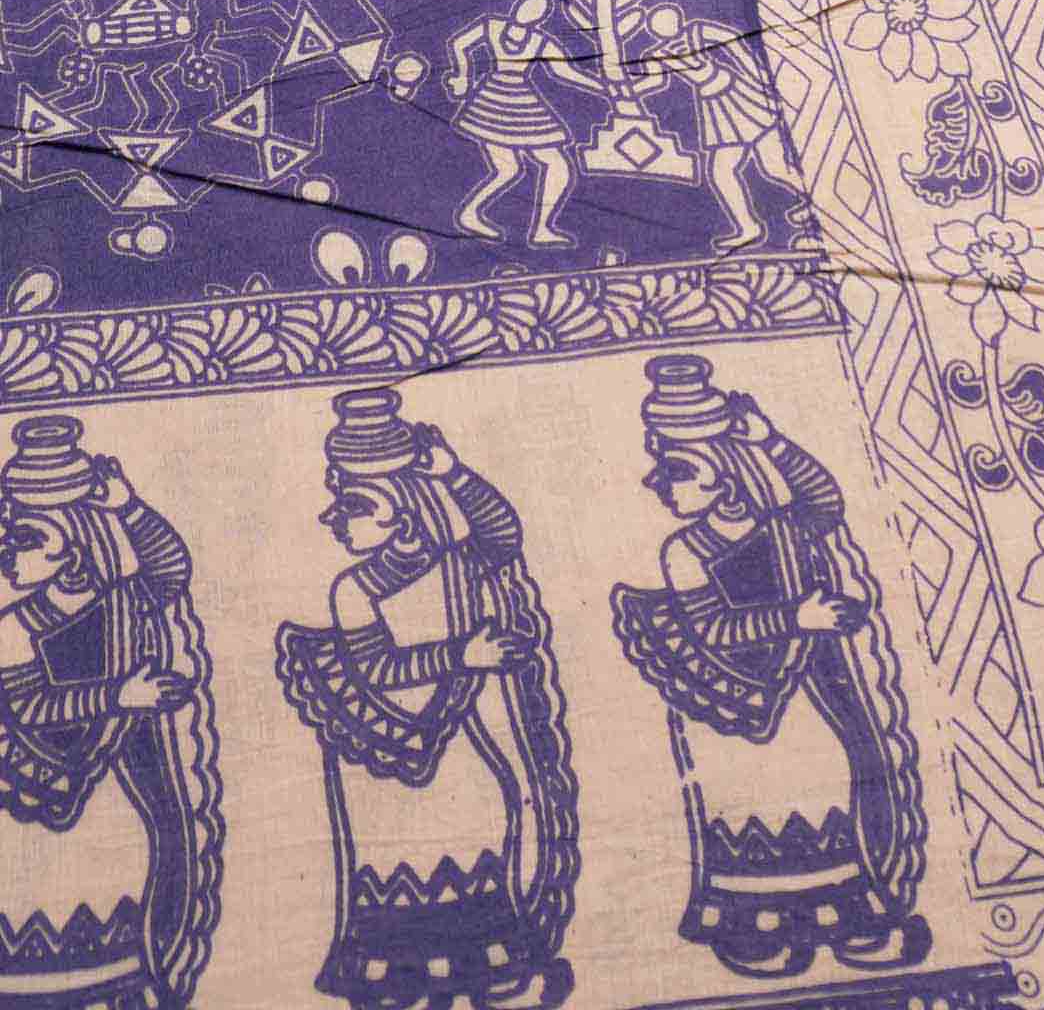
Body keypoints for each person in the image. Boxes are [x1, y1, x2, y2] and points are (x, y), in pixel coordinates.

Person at [612, 356, 929, 980]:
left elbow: (826, 502)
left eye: (677, 470)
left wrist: (772, 441)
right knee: (752, 799)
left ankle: (849, 913)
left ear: (725, 474)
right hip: (734, 694)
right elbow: (711, 629)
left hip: (802, 686)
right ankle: (755, 929)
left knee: (832, 777)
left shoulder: (785, 523)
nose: (657, 483)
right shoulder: (686, 550)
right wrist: (795, 619)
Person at [276, 388, 579, 1010]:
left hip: (451, 730)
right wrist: (462, 655)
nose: (334, 518)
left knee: (488, 820)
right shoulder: (356, 588)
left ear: (406, 511)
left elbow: (503, 535)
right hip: (384, 742)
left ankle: (487, 963)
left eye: (355, 505)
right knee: (405, 854)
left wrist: (454, 473)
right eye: (339, 500)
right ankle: (398, 979)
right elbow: (377, 669)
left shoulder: (457, 560)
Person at [0, 416, 223, 1010]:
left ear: (73, 543)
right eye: (7, 535)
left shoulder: (121, 603)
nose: (7, 553)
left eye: (25, 537)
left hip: (109, 808)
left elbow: (170, 572)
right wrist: (117, 697)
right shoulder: (15, 628)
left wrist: (129, 507)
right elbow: (26, 706)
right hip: (32, 807)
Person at [641, 2, 805, 251]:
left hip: (739, 95)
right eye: (657, 26)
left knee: (769, 167)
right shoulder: (659, 52)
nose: (662, 28)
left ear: (677, 19)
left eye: (665, 21)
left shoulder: (698, 30)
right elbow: (653, 83)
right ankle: (749, 227)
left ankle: (808, 205)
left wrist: (757, 75)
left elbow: (736, 43)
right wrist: (623, 89)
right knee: (725, 170)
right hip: (714, 106)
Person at [444, 0, 602, 243]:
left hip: (521, 102)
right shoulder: (492, 25)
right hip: (493, 102)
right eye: (528, 5)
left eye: (537, 10)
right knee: (510, 169)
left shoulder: (540, 41)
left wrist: (603, 87)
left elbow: (566, 73)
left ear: (539, 18)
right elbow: (458, 44)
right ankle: (472, 215)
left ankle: (540, 228)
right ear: (517, 6)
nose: (529, 11)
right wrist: (463, 75)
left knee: (552, 165)